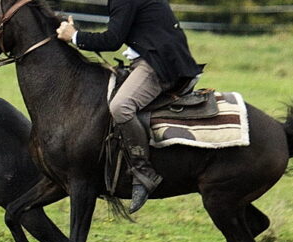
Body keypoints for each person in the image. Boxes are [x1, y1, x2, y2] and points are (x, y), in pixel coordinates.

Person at [56, 0, 201, 213]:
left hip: (157, 65)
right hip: (157, 58)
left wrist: (75, 36)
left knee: (121, 106)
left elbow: (113, 39)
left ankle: (143, 172)